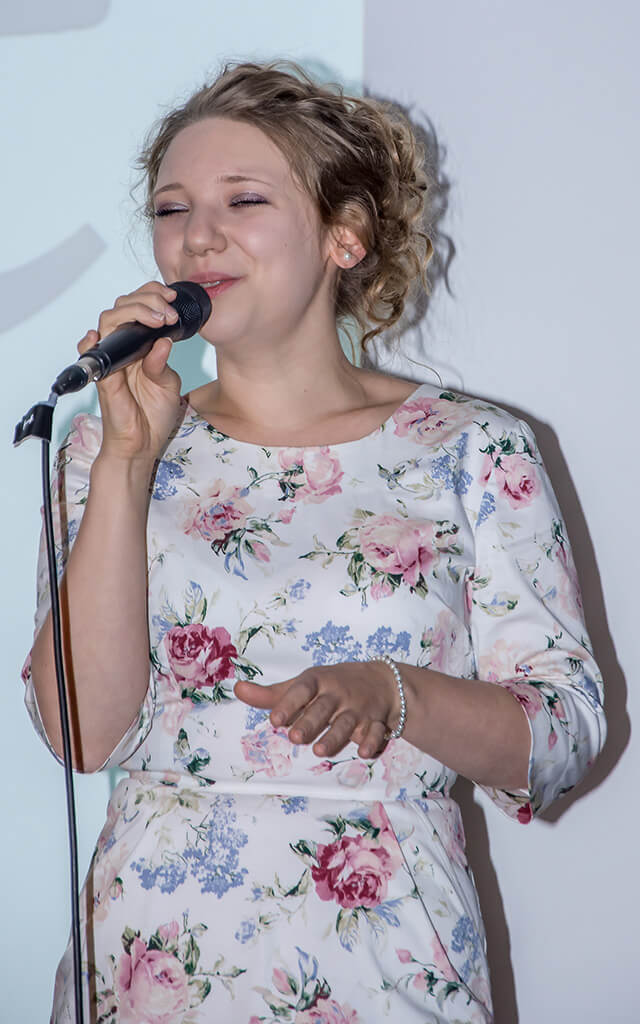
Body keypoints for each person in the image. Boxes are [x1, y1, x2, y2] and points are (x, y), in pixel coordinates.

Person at [23, 62, 605, 1024]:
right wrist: (128, 460)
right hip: (150, 958)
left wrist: (397, 693)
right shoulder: (109, 443)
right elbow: (83, 734)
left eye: (243, 200)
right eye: (172, 209)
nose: (197, 234)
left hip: (388, 960)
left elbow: (559, 739)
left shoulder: (472, 447)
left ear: (346, 234)